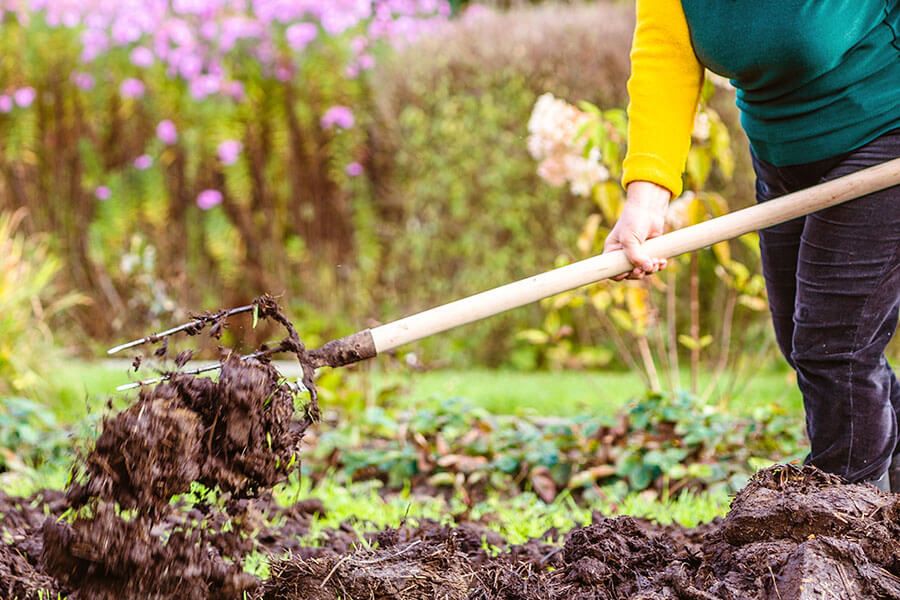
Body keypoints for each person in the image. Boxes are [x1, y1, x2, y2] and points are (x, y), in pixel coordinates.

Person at [604, 0, 900, 491]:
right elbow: (666, 55)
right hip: (781, 152)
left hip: (884, 135)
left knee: (834, 347)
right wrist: (645, 199)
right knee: (809, 343)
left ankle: (843, 530)